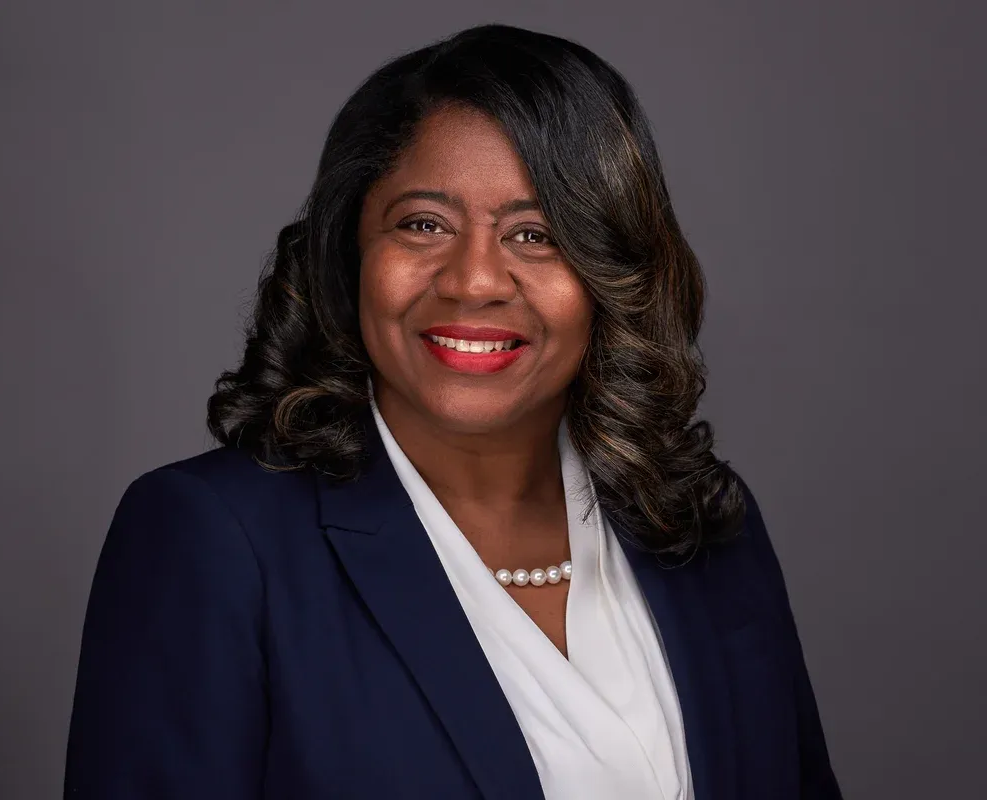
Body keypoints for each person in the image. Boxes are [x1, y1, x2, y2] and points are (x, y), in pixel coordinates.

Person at [64, 23, 842, 800]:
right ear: (351, 254)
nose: (474, 281)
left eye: (535, 234)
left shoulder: (704, 525)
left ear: (613, 272)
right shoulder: (215, 540)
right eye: (423, 224)